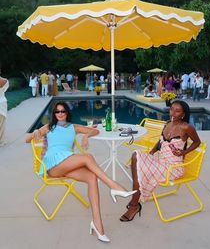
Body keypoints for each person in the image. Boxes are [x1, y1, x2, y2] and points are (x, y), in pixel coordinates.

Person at [26, 101, 136, 242]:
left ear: (67, 113)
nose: (60, 114)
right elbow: (27, 140)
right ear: (54, 114)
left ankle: (98, 225)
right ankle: (113, 186)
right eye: (57, 112)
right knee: (87, 157)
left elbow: (95, 130)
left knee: (91, 177)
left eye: (63, 111)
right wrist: (35, 133)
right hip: (52, 165)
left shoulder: (74, 127)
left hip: (67, 163)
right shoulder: (49, 127)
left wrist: (85, 136)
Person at [120, 100, 201, 222]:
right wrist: (151, 153)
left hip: (172, 167)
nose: (172, 112)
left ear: (183, 114)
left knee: (140, 171)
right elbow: (160, 142)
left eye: (177, 111)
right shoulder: (167, 123)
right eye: (171, 109)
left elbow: (197, 142)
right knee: (136, 155)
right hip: (160, 160)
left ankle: (133, 205)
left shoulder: (187, 127)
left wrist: (184, 152)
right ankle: (135, 201)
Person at [0, 74, 9, 146]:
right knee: (2, 123)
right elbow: (5, 89)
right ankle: (2, 141)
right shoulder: (5, 80)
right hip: (2, 103)